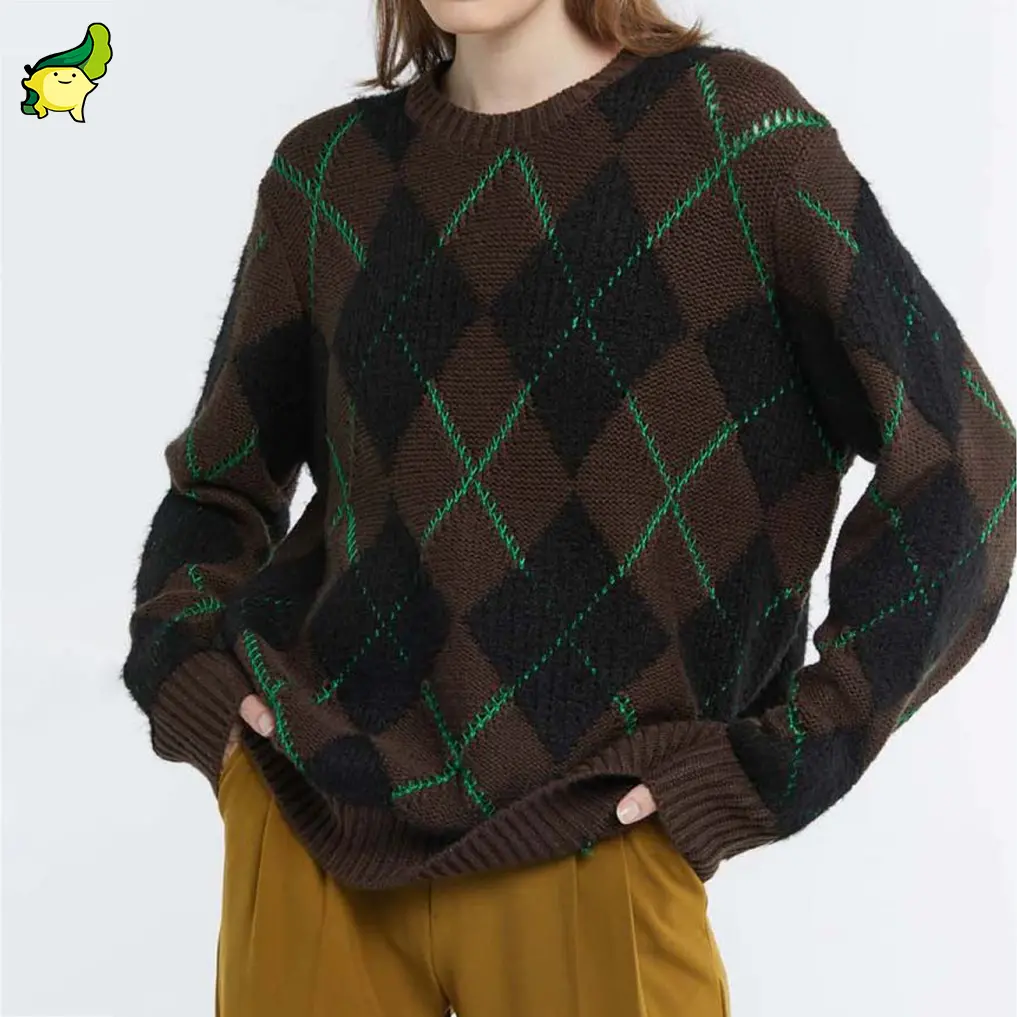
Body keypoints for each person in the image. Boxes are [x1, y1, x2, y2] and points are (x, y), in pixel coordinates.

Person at [119, 0, 1016, 1014]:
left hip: (597, 840)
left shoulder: (736, 143)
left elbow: (964, 465)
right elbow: (218, 483)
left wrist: (787, 755)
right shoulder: (328, 177)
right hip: (309, 826)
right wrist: (192, 683)